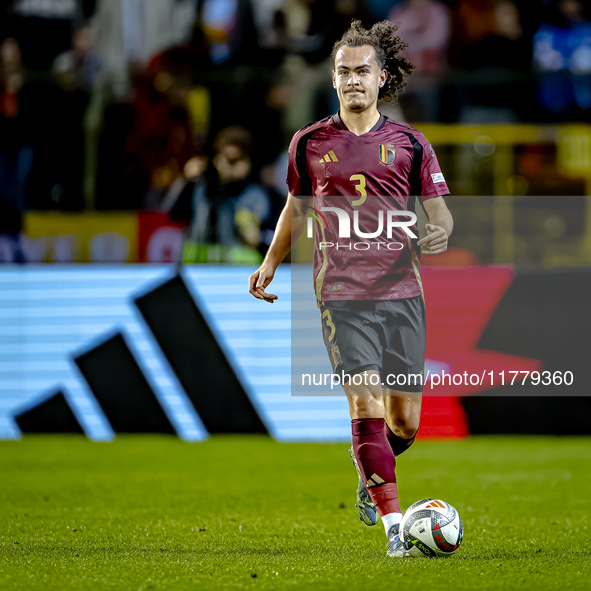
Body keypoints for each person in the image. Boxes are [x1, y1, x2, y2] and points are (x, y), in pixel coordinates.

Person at [248, 19, 453, 558]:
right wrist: (270, 262)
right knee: (363, 403)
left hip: (402, 292)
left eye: (363, 71)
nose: (353, 81)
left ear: (382, 78)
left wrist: (439, 232)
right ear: (334, 78)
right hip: (341, 295)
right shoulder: (309, 143)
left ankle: (369, 469)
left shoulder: (411, 144)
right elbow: (296, 209)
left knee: (403, 422)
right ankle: (394, 531)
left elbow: (441, 214)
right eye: (344, 72)